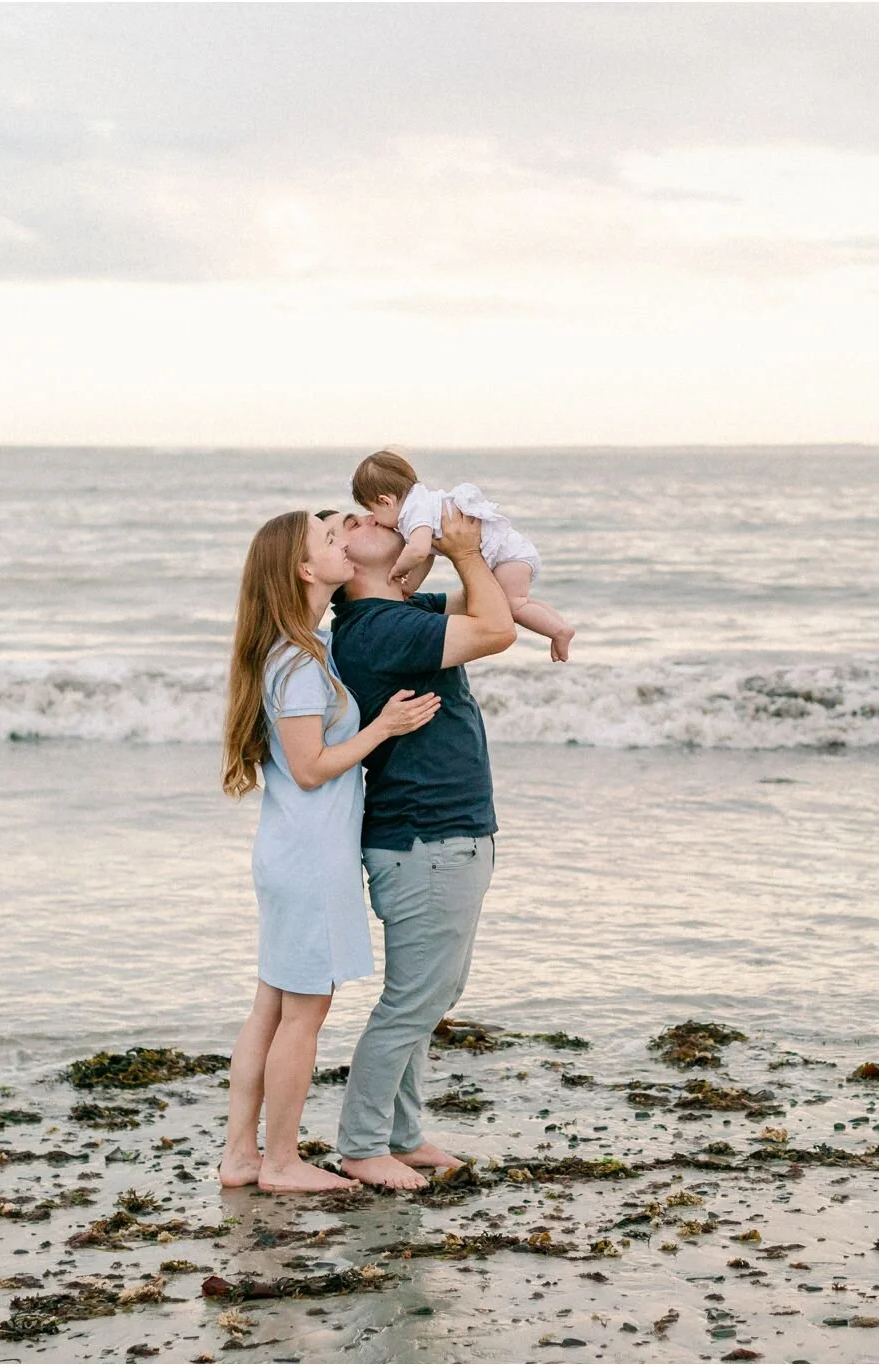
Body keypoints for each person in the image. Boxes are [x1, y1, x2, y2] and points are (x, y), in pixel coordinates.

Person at [215, 508, 440, 1192]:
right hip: (310, 859)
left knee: (272, 1009)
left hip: (291, 853)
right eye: (329, 540)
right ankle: (281, 1163)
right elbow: (312, 766)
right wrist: (384, 727)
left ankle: (241, 1157)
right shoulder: (299, 661)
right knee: (302, 1015)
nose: (343, 541)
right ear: (306, 571)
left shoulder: (292, 649)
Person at [328, 501, 517, 1190]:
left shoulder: (397, 612)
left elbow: (490, 601)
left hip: (443, 832)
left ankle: (400, 1135)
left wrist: (467, 546)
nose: (367, 520)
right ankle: (362, 1145)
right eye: (347, 526)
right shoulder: (380, 629)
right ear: (344, 564)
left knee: (431, 994)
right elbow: (497, 630)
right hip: (425, 837)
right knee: (413, 1001)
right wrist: (465, 552)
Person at [350, 447, 575, 662]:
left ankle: (559, 632)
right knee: (520, 601)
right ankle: (561, 625)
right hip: (511, 551)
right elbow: (428, 555)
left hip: (506, 555)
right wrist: (409, 587)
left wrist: (399, 568)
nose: (373, 519)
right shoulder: (422, 503)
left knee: (513, 605)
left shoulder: (412, 514)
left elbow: (418, 552)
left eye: (373, 511)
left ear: (385, 501)